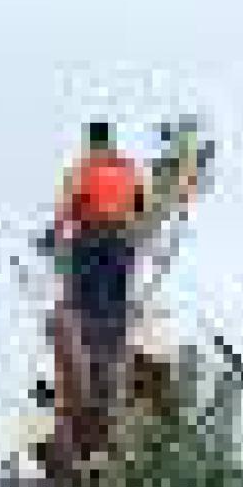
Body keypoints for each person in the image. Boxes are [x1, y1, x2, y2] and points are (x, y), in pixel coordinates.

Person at [50, 120, 148, 411]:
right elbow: (141, 207)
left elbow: (67, 209)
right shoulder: (129, 172)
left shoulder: (82, 171)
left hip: (89, 241)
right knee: (115, 306)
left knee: (88, 307)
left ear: (91, 144)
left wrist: (55, 236)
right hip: (120, 242)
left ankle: (94, 375)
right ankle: (115, 367)